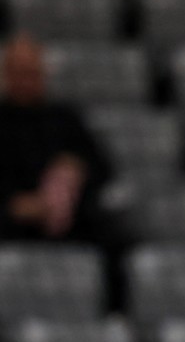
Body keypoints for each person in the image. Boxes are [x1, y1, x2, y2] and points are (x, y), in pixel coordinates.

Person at [0, 33, 110, 241]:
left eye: (32, 73)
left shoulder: (65, 119)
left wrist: (76, 168)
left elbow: (101, 168)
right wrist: (14, 205)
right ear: (7, 74)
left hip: (67, 224)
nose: (26, 81)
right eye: (19, 73)